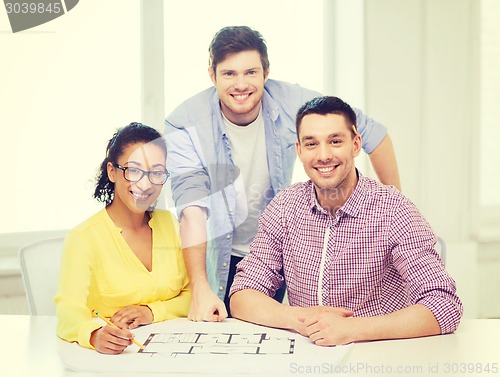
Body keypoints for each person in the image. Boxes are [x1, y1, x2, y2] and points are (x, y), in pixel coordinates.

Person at [164, 25, 401, 322]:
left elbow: (374, 134)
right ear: (212, 75)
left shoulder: (293, 101)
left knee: (272, 341)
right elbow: (192, 209)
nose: (241, 84)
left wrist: (394, 209)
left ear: (266, 72)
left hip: (274, 251)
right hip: (211, 257)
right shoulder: (184, 122)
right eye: (229, 74)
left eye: (250, 72)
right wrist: (199, 285)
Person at [229, 96, 463, 345]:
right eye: (311, 144)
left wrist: (352, 329)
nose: (324, 155)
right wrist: (301, 318)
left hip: (379, 356)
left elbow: (444, 306)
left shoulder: (394, 210)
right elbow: (243, 294)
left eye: (335, 141)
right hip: (307, 357)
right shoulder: (284, 207)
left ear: (356, 144)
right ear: (299, 150)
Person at [55, 122, 190, 354]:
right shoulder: (83, 239)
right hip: (114, 358)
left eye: (156, 172)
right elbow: (68, 311)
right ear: (112, 172)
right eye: (134, 170)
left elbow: (192, 295)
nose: (145, 184)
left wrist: (151, 311)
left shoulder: (170, 224)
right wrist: (94, 334)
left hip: (169, 352)